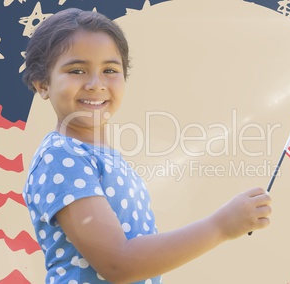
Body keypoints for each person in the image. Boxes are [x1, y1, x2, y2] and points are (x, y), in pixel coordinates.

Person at [21, 8, 272, 284]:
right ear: (42, 84)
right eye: (77, 70)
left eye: (110, 70)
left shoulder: (105, 158)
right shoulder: (61, 156)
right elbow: (118, 263)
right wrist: (221, 226)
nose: (96, 84)